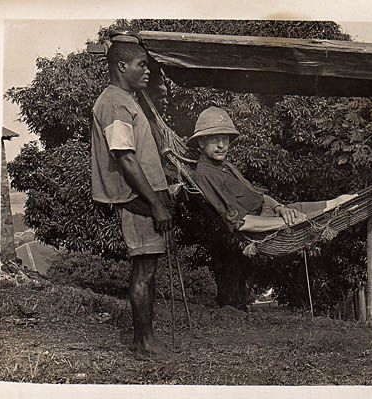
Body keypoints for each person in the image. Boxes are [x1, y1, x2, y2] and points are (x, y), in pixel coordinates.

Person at [91, 38, 172, 361]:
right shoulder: (114, 102)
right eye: (141, 65)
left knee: (148, 268)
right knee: (143, 270)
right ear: (121, 66)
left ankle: (145, 340)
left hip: (144, 194)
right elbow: (124, 158)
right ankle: (145, 344)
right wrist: (155, 203)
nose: (147, 71)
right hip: (136, 196)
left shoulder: (126, 99)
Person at [190, 106, 357, 233]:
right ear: (201, 142)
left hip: (273, 212)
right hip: (264, 224)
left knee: (340, 201)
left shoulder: (225, 166)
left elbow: (259, 196)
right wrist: (286, 222)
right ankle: (340, 206)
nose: (221, 145)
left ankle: (343, 202)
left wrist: (280, 208)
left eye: (225, 139)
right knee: (329, 212)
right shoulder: (205, 175)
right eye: (214, 139)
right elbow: (243, 223)